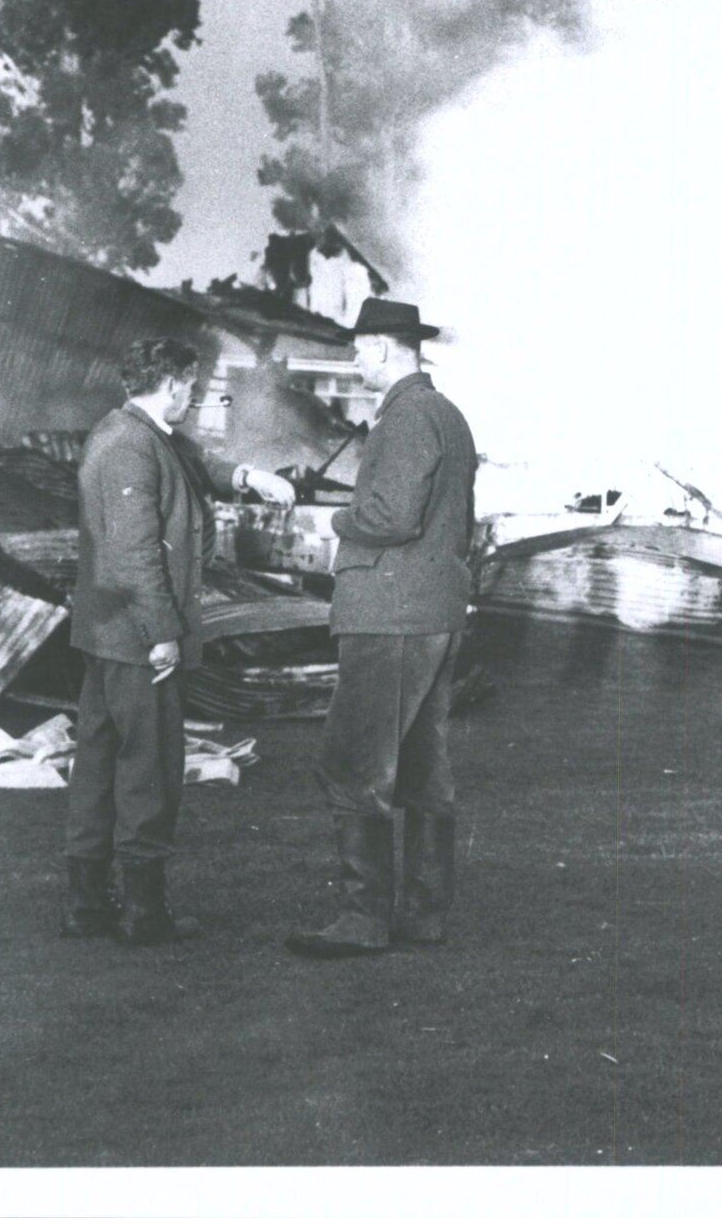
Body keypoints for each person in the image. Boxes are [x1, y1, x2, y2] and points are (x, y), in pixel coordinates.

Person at [64, 337, 295, 943]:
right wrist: (162, 634)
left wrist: (248, 476)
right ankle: (144, 914)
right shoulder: (133, 446)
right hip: (137, 640)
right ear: (170, 384)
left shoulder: (131, 432)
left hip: (108, 635)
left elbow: (192, 460)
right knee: (150, 768)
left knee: (97, 764)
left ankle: (86, 906)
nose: (193, 398)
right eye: (190, 387)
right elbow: (135, 553)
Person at [286, 299, 478, 960]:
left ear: (385, 348)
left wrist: (333, 519)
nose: (355, 360)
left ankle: (362, 917)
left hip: (389, 613)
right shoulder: (446, 415)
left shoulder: (405, 417)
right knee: (423, 768)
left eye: (360, 349)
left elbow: (391, 517)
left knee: (354, 762)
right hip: (432, 609)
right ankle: (424, 913)